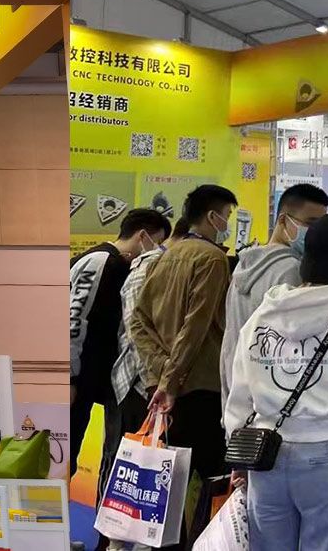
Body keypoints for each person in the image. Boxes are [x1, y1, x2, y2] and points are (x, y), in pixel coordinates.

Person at [222, 214, 328, 550]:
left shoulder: (262, 315)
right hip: (327, 450)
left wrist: (238, 454)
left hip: (265, 451)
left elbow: (239, 392)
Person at [126, 184, 239, 547]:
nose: (228, 224)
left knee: (169, 482)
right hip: (202, 386)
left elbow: (137, 321)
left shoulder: (164, 256)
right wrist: (171, 380)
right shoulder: (213, 259)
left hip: (168, 389)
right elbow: (196, 326)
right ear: (212, 217)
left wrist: (162, 372)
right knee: (212, 481)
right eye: (228, 216)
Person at [69, 209, 170, 472]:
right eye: (158, 242)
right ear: (142, 236)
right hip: (76, 378)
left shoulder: (117, 264)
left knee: (70, 455)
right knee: (62, 455)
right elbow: (75, 318)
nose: (157, 250)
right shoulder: (101, 261)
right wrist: (70, 378)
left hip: (87, 379)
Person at [222, 184, 328, 390]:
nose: (316, 233)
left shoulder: (243, 266)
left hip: (237, 389)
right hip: (271, 393)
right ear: (282, 220)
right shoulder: (292, 271)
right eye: (310, 224)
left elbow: (229, 337)